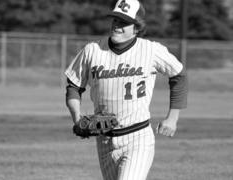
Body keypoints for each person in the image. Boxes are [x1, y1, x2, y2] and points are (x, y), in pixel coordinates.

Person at [64, 0, 188, 179]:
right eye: (115, 20)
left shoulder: (151, 50)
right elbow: (74, 86)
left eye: (124, 22)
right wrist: (77, 119)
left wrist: (172, 118)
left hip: (138, 137)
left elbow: (179, 75)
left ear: (136, 28)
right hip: (104, 140)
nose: (117, 26)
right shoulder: (92, 50)